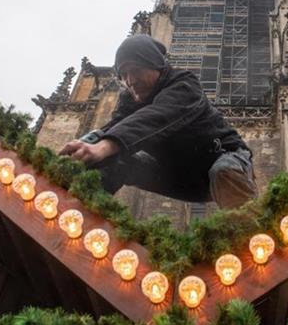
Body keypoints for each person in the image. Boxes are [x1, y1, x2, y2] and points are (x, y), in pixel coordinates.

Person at [59, 35, 258, 209]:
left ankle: (250, 238)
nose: (130, 81)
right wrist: (83, 146)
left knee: (224, 172)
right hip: (180, 177)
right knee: (115, 158)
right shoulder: (129, 99)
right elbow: (114, 127)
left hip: (223, 161)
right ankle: (78, 210)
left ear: (155, 64)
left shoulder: (184, 84)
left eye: (135, 70)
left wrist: (103, 147)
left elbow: (157, 117)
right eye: (124, 75)